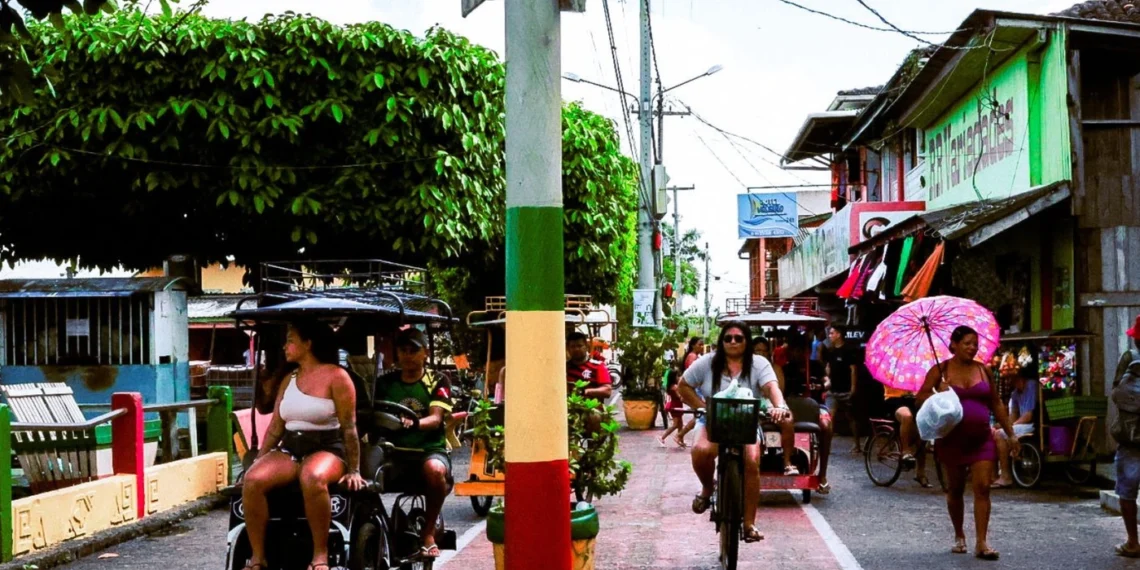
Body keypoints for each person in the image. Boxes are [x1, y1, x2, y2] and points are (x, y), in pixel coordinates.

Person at [241, 320, 366, 570]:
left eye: (290, 340)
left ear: (308, 344)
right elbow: (275, 427)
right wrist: (258, 460)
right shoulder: (289, 378)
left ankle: (320, 555)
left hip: (328, 447)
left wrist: (354, 469)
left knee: (312, 477)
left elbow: (349, 427)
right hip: (291, 447)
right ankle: (258, 557)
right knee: (252, 480)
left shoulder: (337, 376)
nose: (285, 346)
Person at [678, 321, 794, 543]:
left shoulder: (759, 363)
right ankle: (707, 487)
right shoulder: (707, 362)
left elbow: (772, 387)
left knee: (752, 461)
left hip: (746, 422)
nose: (733, 342)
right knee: (701, 451)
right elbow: (683, 385)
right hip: (712, 420)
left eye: (738, 338)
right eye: (728, 338)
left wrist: (779, 406)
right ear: (721, 341)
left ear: (746, 342)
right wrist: (702, 407)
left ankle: (749, 524)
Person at [918, 325, 1019, 561]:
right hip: (951, 440)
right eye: (967, 343)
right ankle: (959, 535)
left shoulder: (983, 370)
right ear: (953, 345)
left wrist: (1011, 434)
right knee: (955, 489)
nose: (972, 348)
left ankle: (982, 542)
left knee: (983, 487)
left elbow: (996, 403)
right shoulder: (940, 370)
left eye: (975, 344)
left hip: (981, 439)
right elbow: (920, 398)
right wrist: (938, 394)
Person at [367, 328, 453, 558]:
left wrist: (413, 424)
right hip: (393, 454)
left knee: (435, 470)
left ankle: (428, 533)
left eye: (413, 350)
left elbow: (436, 419)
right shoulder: (384, 383)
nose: (408, 355)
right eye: (403, 350)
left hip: (428, 451)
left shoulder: (438, 380)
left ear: (425, 353)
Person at [781, 333, 832, 494]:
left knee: (827, 426)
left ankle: (822, 475)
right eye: (795, 350)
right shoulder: (785, 368)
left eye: (802, 350)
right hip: (790, 406)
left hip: (816, 406)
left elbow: (827, 381)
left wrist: (823, 386)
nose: (798, 353)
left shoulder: (816, 366)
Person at [1114, 314, 1140, 558]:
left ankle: (1133, 542)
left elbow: (1116, 393)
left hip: (1131, 436)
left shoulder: (1129, 358)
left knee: (1127, 491)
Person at [991, 366, 1037, 488]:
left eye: (1010, 378)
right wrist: (1002, 424)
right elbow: (1013, 416)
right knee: (994, 431)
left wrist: (1009, 428)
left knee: (1000, 434)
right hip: (1022, 424)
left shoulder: (1031, 386)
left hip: (1031, 424)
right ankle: (993, 475)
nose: (1008, 381)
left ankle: (1006, 476)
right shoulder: (1015, 393)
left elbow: (1028, 416)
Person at [823, 325, 862, 453]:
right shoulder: (830, 351)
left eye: (832, 333)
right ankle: (827, 446)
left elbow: (853, 370)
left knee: (851, 417)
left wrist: (853, 388)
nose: (830, 336)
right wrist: (827, 377)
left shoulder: (848, 350)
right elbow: (828, 367)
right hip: (833, 390)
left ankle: (857, 444)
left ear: (839, 334)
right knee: (830, 417)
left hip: (845, 390)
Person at [881, 387, 930, 487]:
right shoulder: (893, 375)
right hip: (894, 399)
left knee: (921, 434)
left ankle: (920, 473)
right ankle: (905, 451)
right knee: (906, 416)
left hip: (913, 399)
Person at [660, 337, 703, 447]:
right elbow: (694, 374)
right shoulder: (692, 357)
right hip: (694, 390)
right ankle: (679, 435)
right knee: (700, 415)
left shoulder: (692, 356)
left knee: (682, 422)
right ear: (693, 345)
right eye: (700, 344)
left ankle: (680, 437)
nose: (702, 347)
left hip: (691, 391)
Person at [566, 331, 613, 402]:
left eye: (579, 346)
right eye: (573, 346)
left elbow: (607, 390)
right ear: (568, 348)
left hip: (592, 408)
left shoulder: (598, 366)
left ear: (586, 346)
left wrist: (586, 391)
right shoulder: (564, 368)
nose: (576, 349)